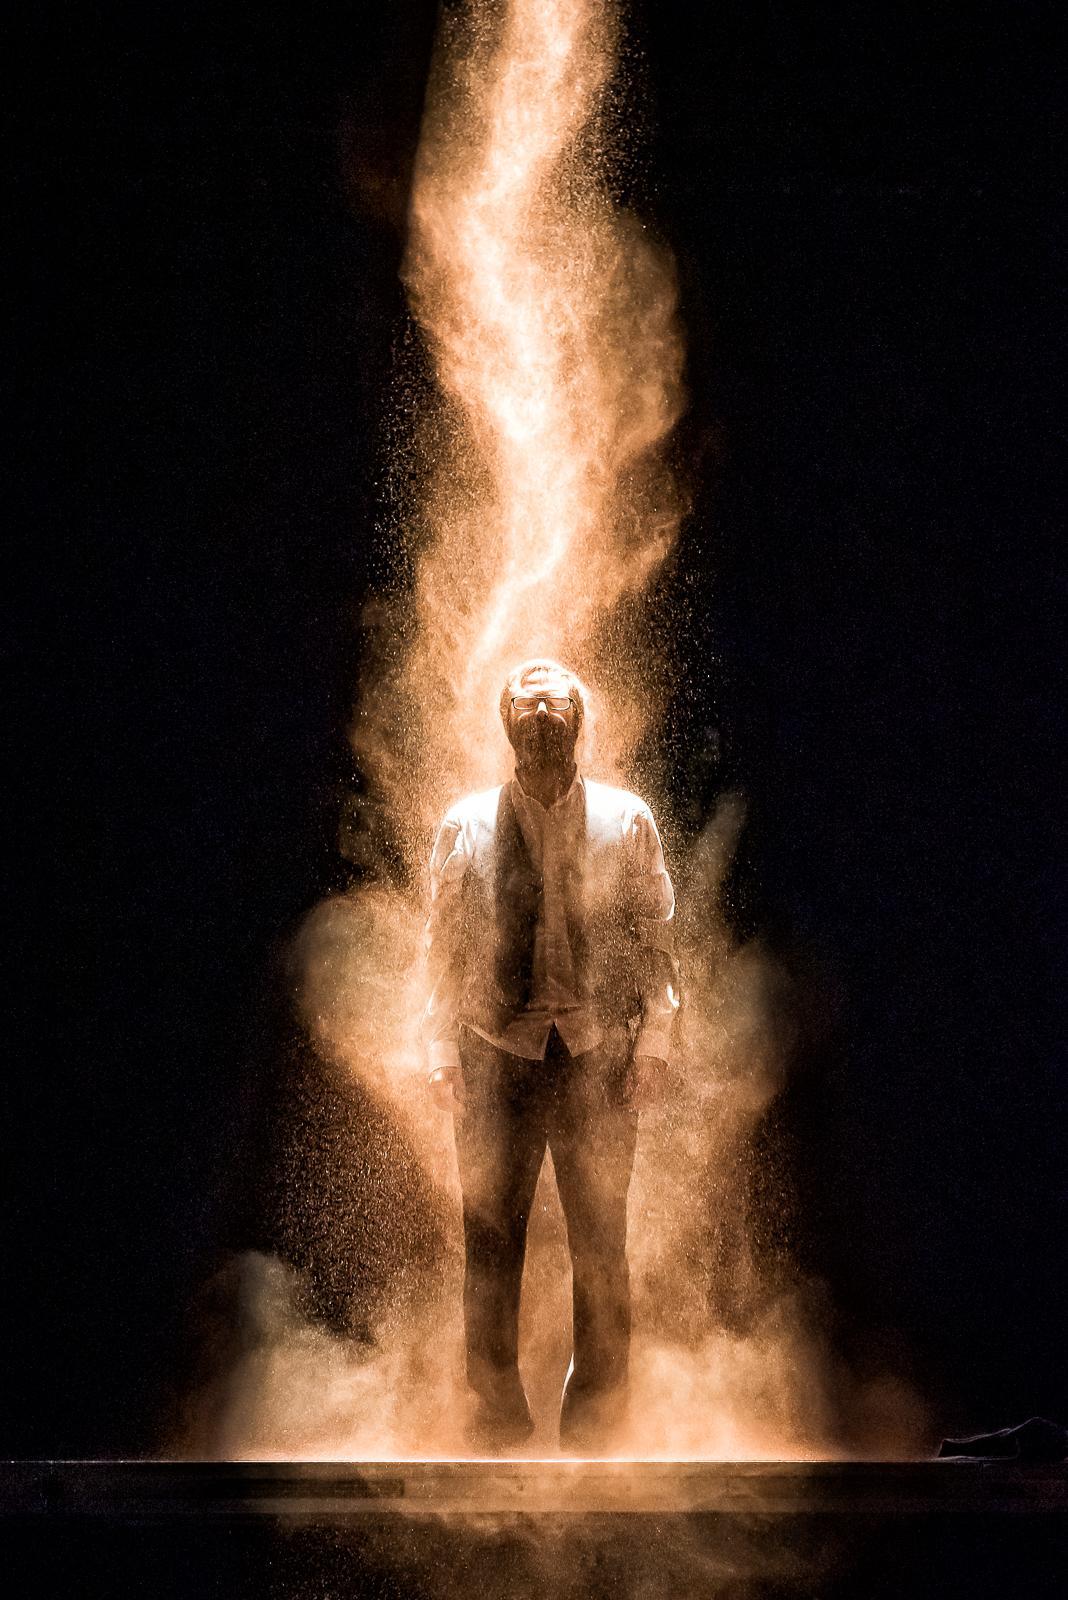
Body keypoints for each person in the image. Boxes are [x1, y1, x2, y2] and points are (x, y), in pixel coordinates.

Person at [423, 658, 678, 1452]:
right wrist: (438, 1046)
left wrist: (655, 1042)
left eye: (555, 702)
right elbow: (441, 947)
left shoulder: (627, 819)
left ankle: (598, 1421)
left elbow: (656, 941)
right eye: (527, 703)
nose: (540, 713)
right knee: (490, 1239)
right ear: (507, 722)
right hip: (494, 1052)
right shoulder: (466, 822)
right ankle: (494, 1415)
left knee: (601, 1240)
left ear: (579, 721)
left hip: (598, 1054)